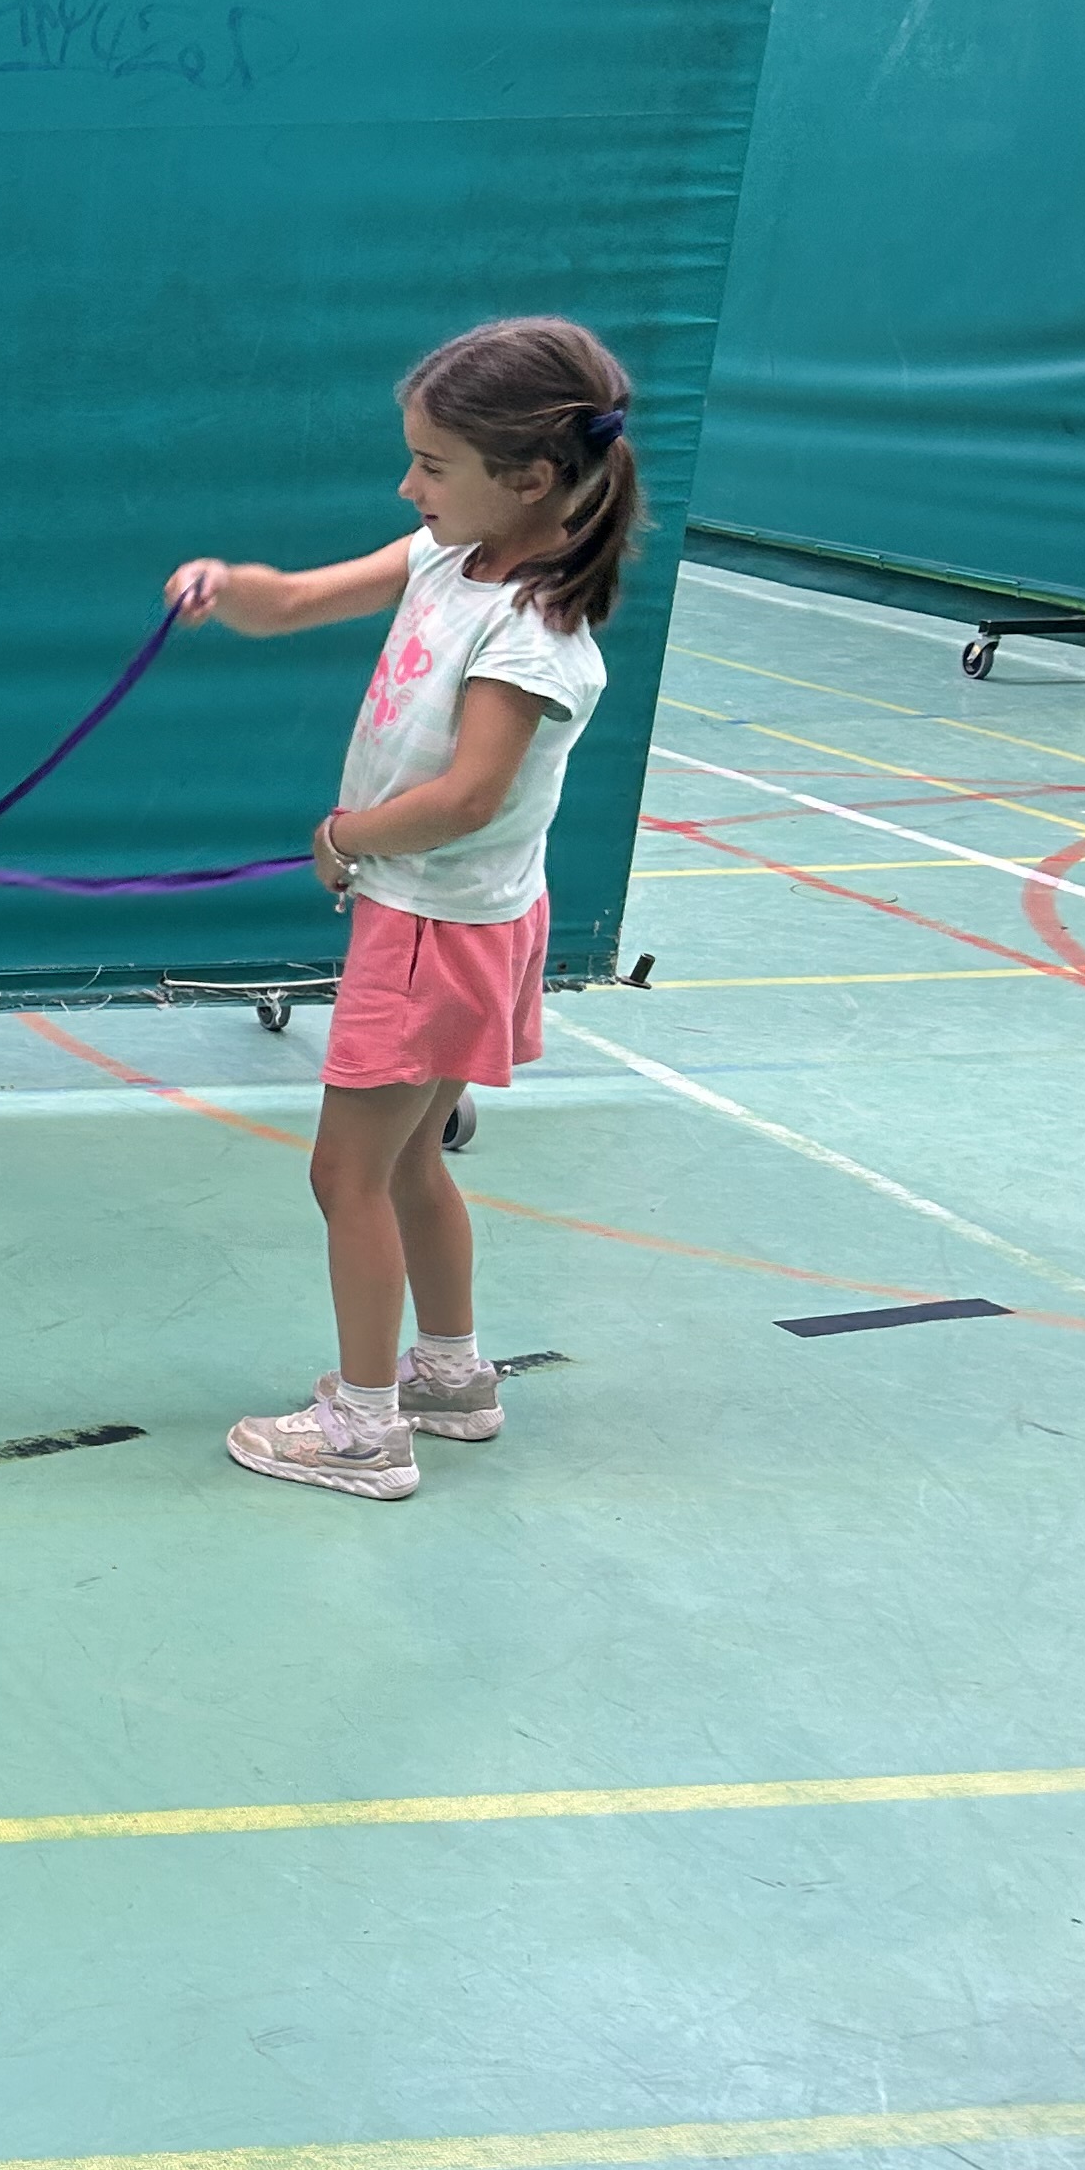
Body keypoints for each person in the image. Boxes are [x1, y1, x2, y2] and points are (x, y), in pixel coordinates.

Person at [166, 315, 642, 1501]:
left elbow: (468, 798)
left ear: (528, 478)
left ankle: (364, 1430)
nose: (408, 485)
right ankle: (452, 1378)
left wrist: (344, 840)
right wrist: (231, 589)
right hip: (443, 921)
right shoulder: (447, 555)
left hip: (439, 928)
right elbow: (295, 600)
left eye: (432, 465)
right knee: (413, 1157)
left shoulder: (534, 631)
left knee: (348, 1176)